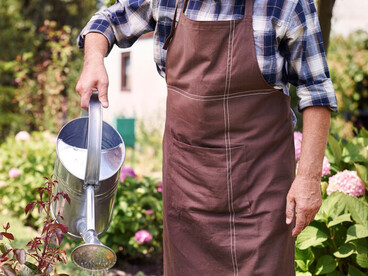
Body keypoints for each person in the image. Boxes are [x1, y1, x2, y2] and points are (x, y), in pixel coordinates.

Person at [76, 0, 337, 275]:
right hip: (187, 191)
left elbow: (316, 90)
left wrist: (308, 178)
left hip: (262, 189)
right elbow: (106, 20)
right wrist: (94, 59)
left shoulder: (285, 5)